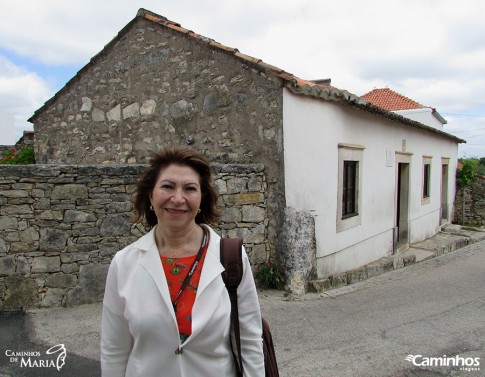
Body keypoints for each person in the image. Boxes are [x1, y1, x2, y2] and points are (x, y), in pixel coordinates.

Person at [100, 146, 264, 377]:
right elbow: (114, 350)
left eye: (190, 188)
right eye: (167, 186)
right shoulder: (124, 263)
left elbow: (249, 341)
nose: (178, 198)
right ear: (150, 196)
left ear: (201, 199)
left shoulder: (230, 257)